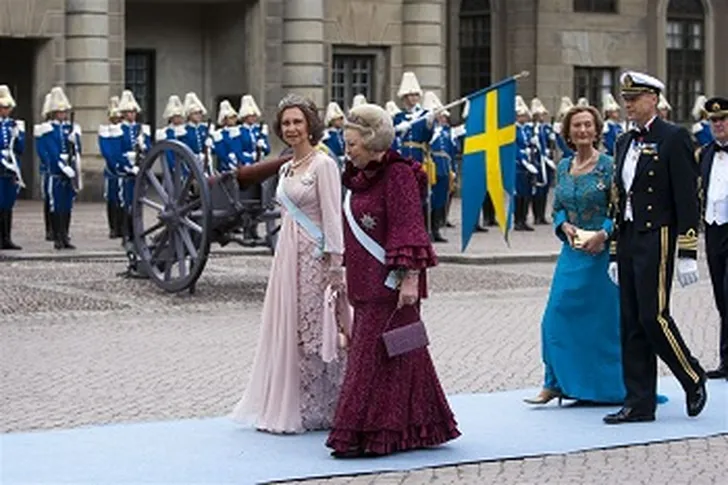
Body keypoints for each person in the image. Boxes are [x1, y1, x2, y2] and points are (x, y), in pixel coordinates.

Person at [326, 103, 460, 458]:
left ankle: (364, 434)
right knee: (403, 353)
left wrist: (410, 278)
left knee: (370, 359)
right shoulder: (358, 178)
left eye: (352, 144)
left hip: (391, 285)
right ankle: (421, 426)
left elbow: (409, 229)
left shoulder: (398, 175)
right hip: (364, 283)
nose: (347, 150)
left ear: (372, 142)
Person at [231, 93, 346, 434]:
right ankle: (296, 402)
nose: (292, 128)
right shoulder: (285, 168)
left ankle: (325, 405)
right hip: (287, 257)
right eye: (286, 123)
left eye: (298, 122)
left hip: (315, 257)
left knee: (317, 331)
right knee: (291, 328)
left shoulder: (324, 165)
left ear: (311, 126)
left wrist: (336, 264)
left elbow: (333, 216)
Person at [604, 71, 707, 425]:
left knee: (653, 316)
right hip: (629, 235)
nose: (628, 105)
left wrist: (688, 250)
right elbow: (617, 200)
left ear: (653, 99)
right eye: (625, 99)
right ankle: (639, 402)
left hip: (657, 234)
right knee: (631, 320)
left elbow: (688, 197)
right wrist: (615, 251)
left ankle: (692, 375)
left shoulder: (673, 137)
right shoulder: (623, 142)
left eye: (634, 98)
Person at [524, 105, 623, 405]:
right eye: (576, 125)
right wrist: (563, 225)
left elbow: (620, 210)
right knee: (554, 319)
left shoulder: (609, 166)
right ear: (568, 132)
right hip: (572, 254)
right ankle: (554, 383)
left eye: (587, 125)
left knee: (601, 326)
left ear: (596, 130)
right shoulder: (564, 166)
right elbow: (557, 208)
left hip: (602, 255)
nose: (582, 130)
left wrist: (603, 234)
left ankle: (607, 388)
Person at [698, 95, 728, 381]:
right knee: (721, 296)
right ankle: (726, 360)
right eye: (714, 121)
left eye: (723, 119)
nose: (718, 124)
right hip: (713, 229)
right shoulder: (705, 153)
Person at [36, 86, 82, 250]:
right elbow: (50, 151)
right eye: (60, 112)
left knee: (67, 205)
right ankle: (57, 237)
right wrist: (61, 166)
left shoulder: (70, 128)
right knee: (56, 205)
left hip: (69, 171)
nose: (63, 115)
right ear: (54, 113)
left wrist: (75, 142)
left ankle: (65, 236)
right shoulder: (48, 129)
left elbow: (78, 151)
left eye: (64, 112)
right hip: (56, 172)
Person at [0, 85, 25, 250]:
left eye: (8, 107)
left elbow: (20, 149)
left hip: (10, 169)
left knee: (8, 204)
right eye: (4, 107)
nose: (7, 110)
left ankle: (6, 238)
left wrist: (19, 136)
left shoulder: (13, 125)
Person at [98, 95, 124, 239]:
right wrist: (115, 164)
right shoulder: (105, 131)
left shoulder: (124, 130)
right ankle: (113, 227)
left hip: (123, 170)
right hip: (112, 171)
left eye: (118, 117)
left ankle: (122, 227)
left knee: (123, 200)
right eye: (114, 117)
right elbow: (106, 150)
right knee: (112, 199)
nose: (116, 120)